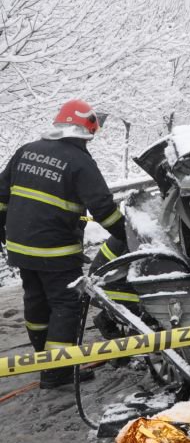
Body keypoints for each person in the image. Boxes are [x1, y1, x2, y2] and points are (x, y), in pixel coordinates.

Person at [0, 99, 126, 388]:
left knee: (36, 301)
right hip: (55, 250)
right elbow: (104, 209)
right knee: (67, 304)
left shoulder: (26, 150)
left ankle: (42, 360)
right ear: (88, 129)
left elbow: (1, 193)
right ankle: (57, 372)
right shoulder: (81, 161)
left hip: (20, 247)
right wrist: (130, 235)